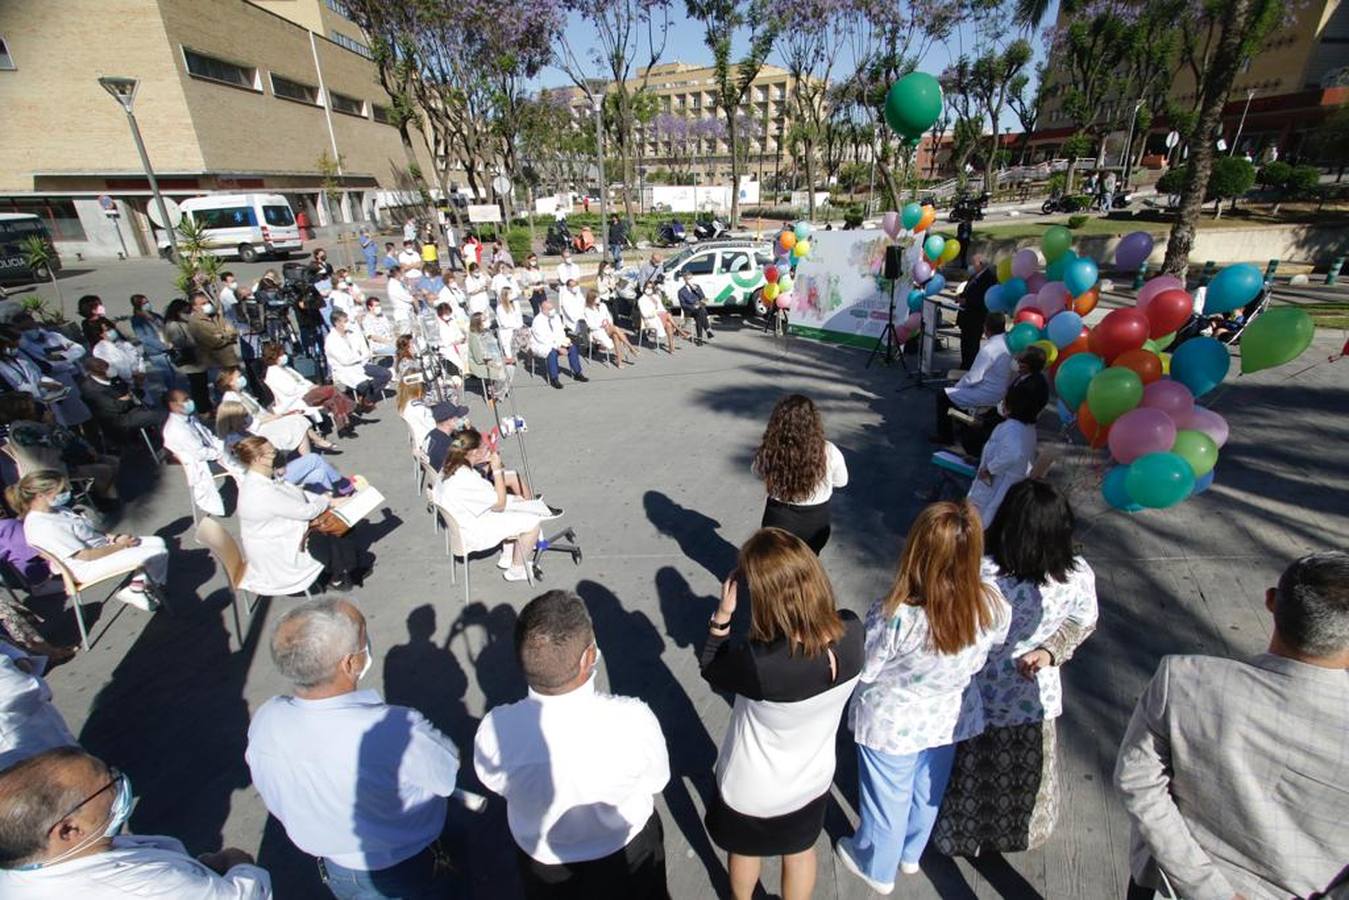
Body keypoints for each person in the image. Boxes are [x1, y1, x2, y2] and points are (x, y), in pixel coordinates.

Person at [1114, 551, 1349, 900]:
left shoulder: (1183, 680)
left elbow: (1137, 781)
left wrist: (1209, 891)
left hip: (1174, 887)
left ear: (1270, 601)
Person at [835, 501, 1010, 895]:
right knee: (928, 787)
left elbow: (869, 668)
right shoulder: (992, 603)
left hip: (892, 721)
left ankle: (877, 866)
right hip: (949, 715)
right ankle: (911, 853)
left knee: (886, 799)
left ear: (917, 551)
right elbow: (995, 646)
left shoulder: (896, 612)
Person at [246, 597, 460, 899]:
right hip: (407, 864)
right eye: (363, 635)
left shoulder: (267, 718)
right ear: (350, 663)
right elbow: (446, 774)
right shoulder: (397, 727)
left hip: (335, 869)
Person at [932, 481, 1097, 857]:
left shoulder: (979, 571)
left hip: (975, 693)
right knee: (1022, 773)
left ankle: (960, 837)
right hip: (1033, 694)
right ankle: (1020, 834)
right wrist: (1049, 652)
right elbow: (1082, 621)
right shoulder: (1076, 574)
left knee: (971, 771)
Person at [700, 528, 864, 900]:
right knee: (801, 850)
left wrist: (722, 616)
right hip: (813, 777)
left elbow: (711, 664)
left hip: (752, 787)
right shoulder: (853, 633)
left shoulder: (761, 666)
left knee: (744, 851)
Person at [475, 590, 670, 898]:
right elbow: (657, 779)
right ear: (588, 658)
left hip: (544, 865)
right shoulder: (633, 719)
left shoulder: (494, 729)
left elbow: (494, 782)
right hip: (627, 853)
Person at [0, 747, 272, 898]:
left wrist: (197, 867)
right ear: (69, 829)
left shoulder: (23, 870)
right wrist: (240, 863)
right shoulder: (147, 889)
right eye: (109, 783)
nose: (120, 783)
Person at [12, 470, 170, 612]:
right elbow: (85, 555)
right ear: (41, 495)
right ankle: (136, 590)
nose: (67, 493)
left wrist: (115, 538)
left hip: (102, 548)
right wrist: (120, 546)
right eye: (60, 491)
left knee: (157, 542)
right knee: (157, 553)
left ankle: (142, 586)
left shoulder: (57, 511)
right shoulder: (43, 526)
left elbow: (89, 533)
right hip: (85, 567)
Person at [233, 436, 365, 593]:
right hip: (277, 551)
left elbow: (296, 494)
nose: (277, 454)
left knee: (339, 520)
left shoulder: (261, 480)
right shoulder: (261, 491)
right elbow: (306, 512)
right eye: (273, 451)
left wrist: (332, 501)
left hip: (278, 536)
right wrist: (326, 500)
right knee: (336, 529)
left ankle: (344, 566)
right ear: (260, 459)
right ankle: (337, 575)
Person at [433, 428, 558, 582]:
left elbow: (487, 495)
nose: (488, 451)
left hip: (462, 521)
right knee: (532, 522)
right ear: (473, 453)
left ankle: (508, 556)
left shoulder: (449, 467)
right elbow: (499, 504)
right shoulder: (466, 478)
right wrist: (496, 469)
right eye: (484, 448)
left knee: (515, 505)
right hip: (473, 530)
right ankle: (516, 570)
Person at [751, 394, 849, 554]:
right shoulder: (829, 450)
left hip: (779, 519)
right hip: (815, 522)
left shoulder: (770, 450)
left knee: (776, 568)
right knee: (807, 566)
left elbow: (757, 472)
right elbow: (841, 481)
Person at [967, 381, 1041, 527]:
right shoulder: (1028, 428)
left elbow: (1012, 453)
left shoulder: (1010, 428)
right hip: (1012, 485)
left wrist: (990, 469)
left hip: (998, 484)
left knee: (981, 519)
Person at [932, 313, 1012, 445]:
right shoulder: (1009, 343)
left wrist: (957, 387)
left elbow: (973, 377)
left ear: (986, 328)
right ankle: (963, 423)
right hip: (1001, 392)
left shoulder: (989, 349)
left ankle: (946, 437)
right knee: (954, 395)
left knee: (943, 396)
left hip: (987, 393)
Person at [162, 389, 245, 517]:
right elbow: (201, 453)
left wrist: (225, 445)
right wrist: (224, 451)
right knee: (245, 461)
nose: (190, 402)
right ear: (172, 405)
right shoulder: (178, 429)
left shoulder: (189, 418)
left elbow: (208, 436)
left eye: (189, 398)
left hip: (213, 452)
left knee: (241, 443)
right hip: (206, 462)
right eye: (185, 400)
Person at [0, 639, 77, 768]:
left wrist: (18, 657)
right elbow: (18, 691)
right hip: (13, 727)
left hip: (36, 711)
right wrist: (36, 686)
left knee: (71, 755)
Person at [217, 367, 327, 454]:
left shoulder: (242, 393)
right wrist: (272, 418)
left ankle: (310, 450)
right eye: (239, 377)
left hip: (266, 420)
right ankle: (315, 444)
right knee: (297, 422)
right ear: (230, 381)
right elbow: (246, 423)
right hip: (257, 430)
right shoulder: (230, 399)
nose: (242, 378)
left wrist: (275, 416)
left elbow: (260, 411)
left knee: (298, 419)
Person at [261, 342, 357, 437]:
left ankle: (342, 427)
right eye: (281, 354)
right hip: (299, 397)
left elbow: (302, 380)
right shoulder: (273, 374)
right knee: (332, 390)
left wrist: (311, 386)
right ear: (274, 356)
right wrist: (308, 388)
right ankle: (352, 408)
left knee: (333, 398)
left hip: (307, 392)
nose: (284, 356)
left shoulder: (285, 368)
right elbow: (290, 391)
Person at [77, 357, 167, 446]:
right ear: (97, 372)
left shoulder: (113, 377)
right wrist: (128, 398)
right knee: (162, 416)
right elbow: (117, 407)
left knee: (161, 411)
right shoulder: (91, 389)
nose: (109, 370)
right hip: (118, 419)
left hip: (134, 408)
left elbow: (130, 392)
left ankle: (156, 437)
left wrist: (137, 385)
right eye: (105, 368)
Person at [324, 311, 392, 412]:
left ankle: (366, 398)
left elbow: (364, 350)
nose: (348, 323)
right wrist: (359, 356)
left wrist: (360, 356)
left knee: (386, 374)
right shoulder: (331, 340)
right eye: (345, 321)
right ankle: (365, 398)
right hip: (345, 369)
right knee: (364, 384)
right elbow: (345, 360)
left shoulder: (352, 334)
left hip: (361, 364)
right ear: (337, 323)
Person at [163, 298, 210, 412]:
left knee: (203, 385)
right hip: (190, 361)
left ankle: (207, 407)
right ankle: (203, 409)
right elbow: (179, 343)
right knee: (198, 387)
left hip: (198, 358)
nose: (188, 314)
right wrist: (198, 340)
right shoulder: (173, 325)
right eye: (185, 312)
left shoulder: (184, 322)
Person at [529, 300, 588, 390]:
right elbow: (542, 339)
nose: (553, 310)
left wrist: (564, 343)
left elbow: (560, 332)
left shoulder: (555, 317)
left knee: (572, 348)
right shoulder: (537, 321)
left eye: (553, 308)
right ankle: (554, 378)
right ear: (543, 310)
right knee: (552, 353)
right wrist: (558, 347)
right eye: (550, 309)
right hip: (544, 345)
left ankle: (577, 373)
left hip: (557, 342)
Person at [186, 290, 242, 383]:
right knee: (223, 387)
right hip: (216, 363)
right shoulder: (195, 322)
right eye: (203, 303)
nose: (207, 305)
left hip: (231, 359)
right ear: (194, 307)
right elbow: (213, 341)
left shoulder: (216, 316)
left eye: (208, 302)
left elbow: (233, 331)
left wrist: (223, 335)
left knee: (238, 383)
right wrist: (226, 335)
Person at [955, 255, 995, 370]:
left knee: (972, 344)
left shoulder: (989, 278)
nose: (971, 266)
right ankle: (964, 365)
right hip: (966, 316)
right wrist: (960, 296)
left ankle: (970, 368)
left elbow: (984, 298)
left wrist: (967, 301)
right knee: (965, 343)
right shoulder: (974, 276)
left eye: (973, 263)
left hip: (976, 317)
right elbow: (968, 291)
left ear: (981, 263)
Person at [582, 290, 637, 368]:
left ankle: (620, 361)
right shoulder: (587, 310)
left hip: (608, 328)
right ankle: (630, 347)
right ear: (591, 298)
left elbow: (609, 316)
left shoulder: (603, 305)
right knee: (616, 329)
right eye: (596, 297)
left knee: (615, 335)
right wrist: (602, 325)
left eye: (598, 296)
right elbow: (590, 325)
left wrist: (608, 323)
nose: (599, 298)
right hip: (597, 331)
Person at [467, 313, 513, 390]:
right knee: (503, 374)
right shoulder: (474, 337)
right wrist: (494, 363)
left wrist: (501, 359)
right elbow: (479, 359)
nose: (487, 321)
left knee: (511, 367)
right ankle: (494, 392)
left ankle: (498, 390)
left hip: (492, 358)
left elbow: (493, 347)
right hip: (481, 364)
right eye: (484, 320)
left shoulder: (486, 331)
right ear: (478, 323)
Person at [422, 401, 471, 473]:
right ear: (448, 421)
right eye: (458, 417)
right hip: (450, 475)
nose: (462, 419)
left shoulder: (431, 434)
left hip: (437, 472)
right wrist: (470, 433)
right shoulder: (448, 445)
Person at [637, 283, 683, 353]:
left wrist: (658, 310)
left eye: (651, 288)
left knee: (668, 324)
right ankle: (680, 331)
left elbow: (662, 309)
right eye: (647, 288)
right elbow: (644, 314)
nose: (649, 290)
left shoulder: (656, 297)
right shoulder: (641, 300)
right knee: (668, 315)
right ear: (644, 289)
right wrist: (655, 311)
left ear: (653, 289)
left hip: (660, 318)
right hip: (650, 320)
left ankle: (671, 345)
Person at [677, 271, 715, 343]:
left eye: (691, 278)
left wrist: (696, 290)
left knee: (699, 314)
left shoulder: (697, 287)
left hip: (699, 309)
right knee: (701, 312)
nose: (690, 280)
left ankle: (699, 338)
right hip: (689, 311)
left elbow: (704, 299)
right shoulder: (681, 291)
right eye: (688, 279)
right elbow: (683, 305)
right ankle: (708, 330)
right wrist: (694, 307)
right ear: (685, 280)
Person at [434, 302, 469, 375]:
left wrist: (462, 338)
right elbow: (439, 342)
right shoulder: (436, 325)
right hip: (447, 349)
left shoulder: (452, 320)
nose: (448, 316)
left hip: (458, 345)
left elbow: (458, 333)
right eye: (446, 314)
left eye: (449, 314)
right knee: (460, 363)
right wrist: (453, 342)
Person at [494, 288, 525, 368]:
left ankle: (528, 356)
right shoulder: (500, 308)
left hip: (515, 329)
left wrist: (519, 325)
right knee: (508, 344)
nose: (512, 295)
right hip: (506, 331)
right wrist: (515, 326)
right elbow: (504, 323)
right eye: (510, 293)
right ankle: (509, 359)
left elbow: (518, 317)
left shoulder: (513, 305)